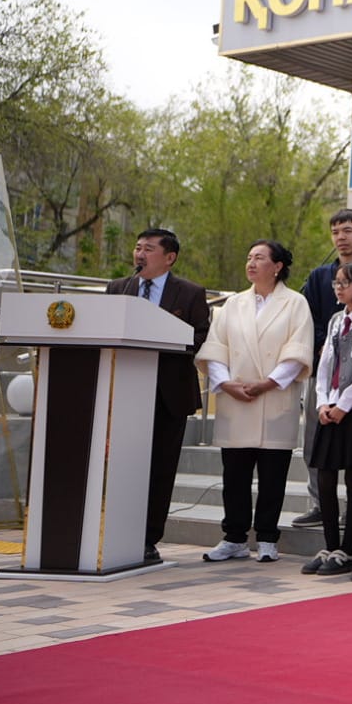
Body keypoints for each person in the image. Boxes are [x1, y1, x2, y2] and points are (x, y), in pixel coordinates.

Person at [197, 240, 313, 563]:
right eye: (249, 257)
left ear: (277, 266)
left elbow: (298, 349)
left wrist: (267, 383)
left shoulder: (295, 303)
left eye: (259, 258)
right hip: (236, 399)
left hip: (275, 396)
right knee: (234, 475)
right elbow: (215, 347)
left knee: (273, 475)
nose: (251, 263)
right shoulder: (233, 304)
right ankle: (234, 537)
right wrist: (225, 383)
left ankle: (267, 537)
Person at [105, 228, 211, 563]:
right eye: (138, 247)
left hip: (169, 394)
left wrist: (162, 338)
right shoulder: (118, 288)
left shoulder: (190, 293)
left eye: (149, 249)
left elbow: (199, 335)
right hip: (123, 389)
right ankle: (115, 532)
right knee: (122, 466)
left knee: (160, 468)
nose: (140, 254)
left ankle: (148, 539)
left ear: (170, 257)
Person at [296, 209, 352, 530]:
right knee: (314, 438)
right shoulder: (319, 276)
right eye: (335, 232)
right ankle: (319, 504)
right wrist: (323, 344)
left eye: (347, 230)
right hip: (325, 371)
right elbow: (308, 317)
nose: (341, 238)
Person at [302, 261, 352, 576]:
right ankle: (330, 545)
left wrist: (345, 405)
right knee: (325, 475)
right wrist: (322, 402)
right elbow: (324, 365)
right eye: (336, 282)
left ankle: (347, 550)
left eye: (345, 283)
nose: (338, 288)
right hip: (329, 405)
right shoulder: (336, 319)